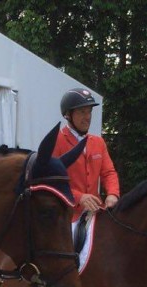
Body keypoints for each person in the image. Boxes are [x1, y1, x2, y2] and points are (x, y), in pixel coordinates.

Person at [54, 88, 120, 222]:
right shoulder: (56, 141)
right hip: (68, 216)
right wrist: (79, 197)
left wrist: (113, 194)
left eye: (89, 111)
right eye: (82, 112)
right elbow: (52, 182)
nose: (88, 117)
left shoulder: (98, 142)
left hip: (96, 213)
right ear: (68, 115)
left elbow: (108, 173)